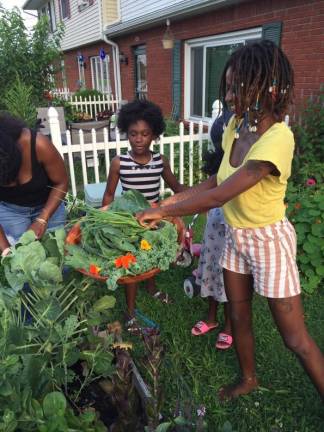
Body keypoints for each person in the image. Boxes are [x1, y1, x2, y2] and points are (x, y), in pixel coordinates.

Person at [137, 41, 324, 400]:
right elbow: (215, 182)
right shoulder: (235, 127)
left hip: (268, 241)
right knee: (237, 316)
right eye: (229, 87)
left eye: (240, 87)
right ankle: (249, 379)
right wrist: (167, 202)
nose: (231, 96)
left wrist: (162, 211)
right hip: (235, 236)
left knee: (295, 338)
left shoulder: (278, 137)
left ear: (269, 88)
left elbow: (223, 195)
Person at [102, 99, 187, 329]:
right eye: (133, 134)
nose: (139, 139)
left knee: (152, 257)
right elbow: (109, 195)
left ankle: (152, 288)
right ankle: (130, 311)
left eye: (145, 134)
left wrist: (195, 199)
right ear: (126, 134)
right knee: (132, 263)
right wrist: (104, 217)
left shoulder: (160, 161)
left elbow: (177, 188)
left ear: (154, 135)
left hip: (154, 221)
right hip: (130, 222)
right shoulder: (119, 163)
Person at [191, 110, 233, 350]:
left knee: (229, 280)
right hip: (214, 231)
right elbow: (206, 192)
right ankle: (211, 316)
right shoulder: (219, 167)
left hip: (232, 233)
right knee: (210, 272)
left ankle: (229, 325)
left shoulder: (246, 168)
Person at [0, 113, 68, 243]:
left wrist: (43, 218)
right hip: (10, 210)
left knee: (57, 252)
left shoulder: (38, 144)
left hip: (48, 204)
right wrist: (6, 250)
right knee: (18, 255)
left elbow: (61, 182)